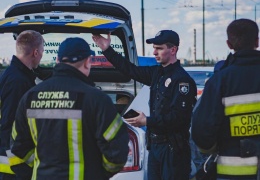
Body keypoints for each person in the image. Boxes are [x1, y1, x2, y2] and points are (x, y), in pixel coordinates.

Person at [10, 37, 129, 180]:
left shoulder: (30, 97)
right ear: (87, 62)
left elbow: (18, 146)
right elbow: (117, 151)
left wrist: (40, 167)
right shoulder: (97, 99)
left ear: (58, 61)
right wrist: (99, 173)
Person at [93, 30, 197, 180]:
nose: (154, 52)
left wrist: (147, 121)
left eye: (159, 48)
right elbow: (130, 70)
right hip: (154, 146)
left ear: (173, 50)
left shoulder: (182, 81)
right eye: (154, 48)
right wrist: (107, 50)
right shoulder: (157, 73)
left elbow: (179, 119)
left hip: (173, 150)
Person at [191, 18, 260, 180]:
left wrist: (214, 149)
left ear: (229, 44)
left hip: (234, 173)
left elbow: (201, 132)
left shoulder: (220, 81)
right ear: (257, 41)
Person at [0, 30, 44, 180]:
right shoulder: (18, 81)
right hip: (11, 166)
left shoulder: (14, 74)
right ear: (36, 52)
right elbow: (9, 124)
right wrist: (19, 166)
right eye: (43, 51)